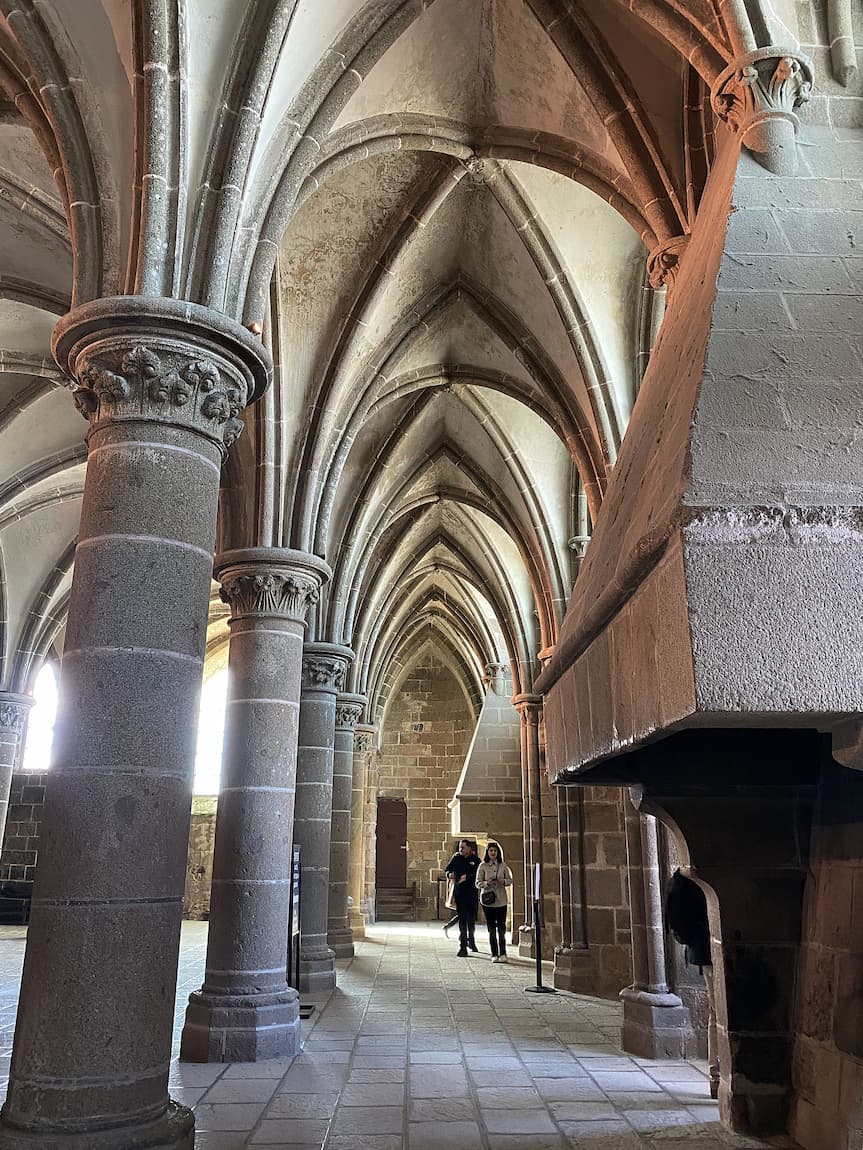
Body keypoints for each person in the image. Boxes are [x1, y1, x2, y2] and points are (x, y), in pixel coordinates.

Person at [665, 868, 719, 1099]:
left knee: (717, 1012)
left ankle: (717, 1075)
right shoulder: (695, 876)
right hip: (711, 950)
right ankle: (719, 1075)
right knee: (719, 1012)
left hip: (703, 951)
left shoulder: (683, 876)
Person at [476, 840, 513, 963]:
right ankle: (494, 953)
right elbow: (477, 883)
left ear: (498, 852)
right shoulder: (483, 866)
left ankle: (503, 953)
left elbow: (510, 880)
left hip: (501, 900)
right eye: (491, 850)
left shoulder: (503, 865)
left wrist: (503, 881)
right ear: (487, 852)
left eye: (495, 851)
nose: (493, 853)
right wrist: (487, 883)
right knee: (491, 928)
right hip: (488, 900)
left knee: (501, 928)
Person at [444, 839, 479, 956]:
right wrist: (449, 874)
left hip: (472, 893)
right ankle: (462, 946)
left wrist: (467, 877)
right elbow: (448, 869)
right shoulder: (456, 858)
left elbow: (479, 875)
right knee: (462, 919)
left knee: (471, 920)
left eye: (463, 847)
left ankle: (471, 940)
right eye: (460, 847)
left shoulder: (476, 860)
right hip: (460, 893)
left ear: (469, 848)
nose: (461, 849)